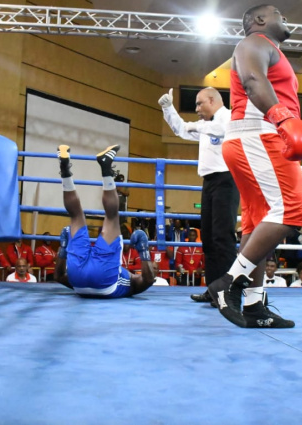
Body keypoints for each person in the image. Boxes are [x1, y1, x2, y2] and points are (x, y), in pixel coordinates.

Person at [208, 4, 302, 329]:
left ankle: (255, 304)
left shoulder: (268, 49)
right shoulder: (253, 43)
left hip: (252, 137)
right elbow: (253, 81)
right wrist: (283, 119)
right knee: (294, 208)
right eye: (279, 14)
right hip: (259, 134)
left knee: (257, 223)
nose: (285, 17)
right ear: (259, 21)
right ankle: (228, 283)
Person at [159, 86, 240, 305]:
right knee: (210, 241)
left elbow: (218, 129)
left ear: (213, 100)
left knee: (223, 238)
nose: (196, 108)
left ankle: (229, 294)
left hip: (227, 181)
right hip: (209, 182)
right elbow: (181, 130)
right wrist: (168, 108)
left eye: (199, 103)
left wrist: (198, 126)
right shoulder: (205, 125)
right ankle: (214, 290)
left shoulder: (229, 118)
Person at [52, 144, 155, 298]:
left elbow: (148, 280)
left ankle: (103, 169)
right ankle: (65, 173)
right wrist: (144, 251)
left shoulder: (128, 283)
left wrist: (63, 248)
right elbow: (147, 280)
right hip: (81, 281)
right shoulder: (128, 284)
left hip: (95, 278)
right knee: (76, 215)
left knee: (111, 216)